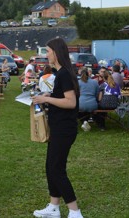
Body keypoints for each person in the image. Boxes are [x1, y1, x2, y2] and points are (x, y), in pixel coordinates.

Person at [32, 37, 84, 218]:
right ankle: (54, 207)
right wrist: (49, 94)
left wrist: (46, 99)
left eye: (47, 51)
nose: (45, 55)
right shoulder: (62, 73)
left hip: (64, 129)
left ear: (56, 52)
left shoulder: (64, 74)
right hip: (59, 128)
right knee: (50, 166)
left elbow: (70, 102)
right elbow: (62, 97)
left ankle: (75, 211)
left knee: (56, 169)